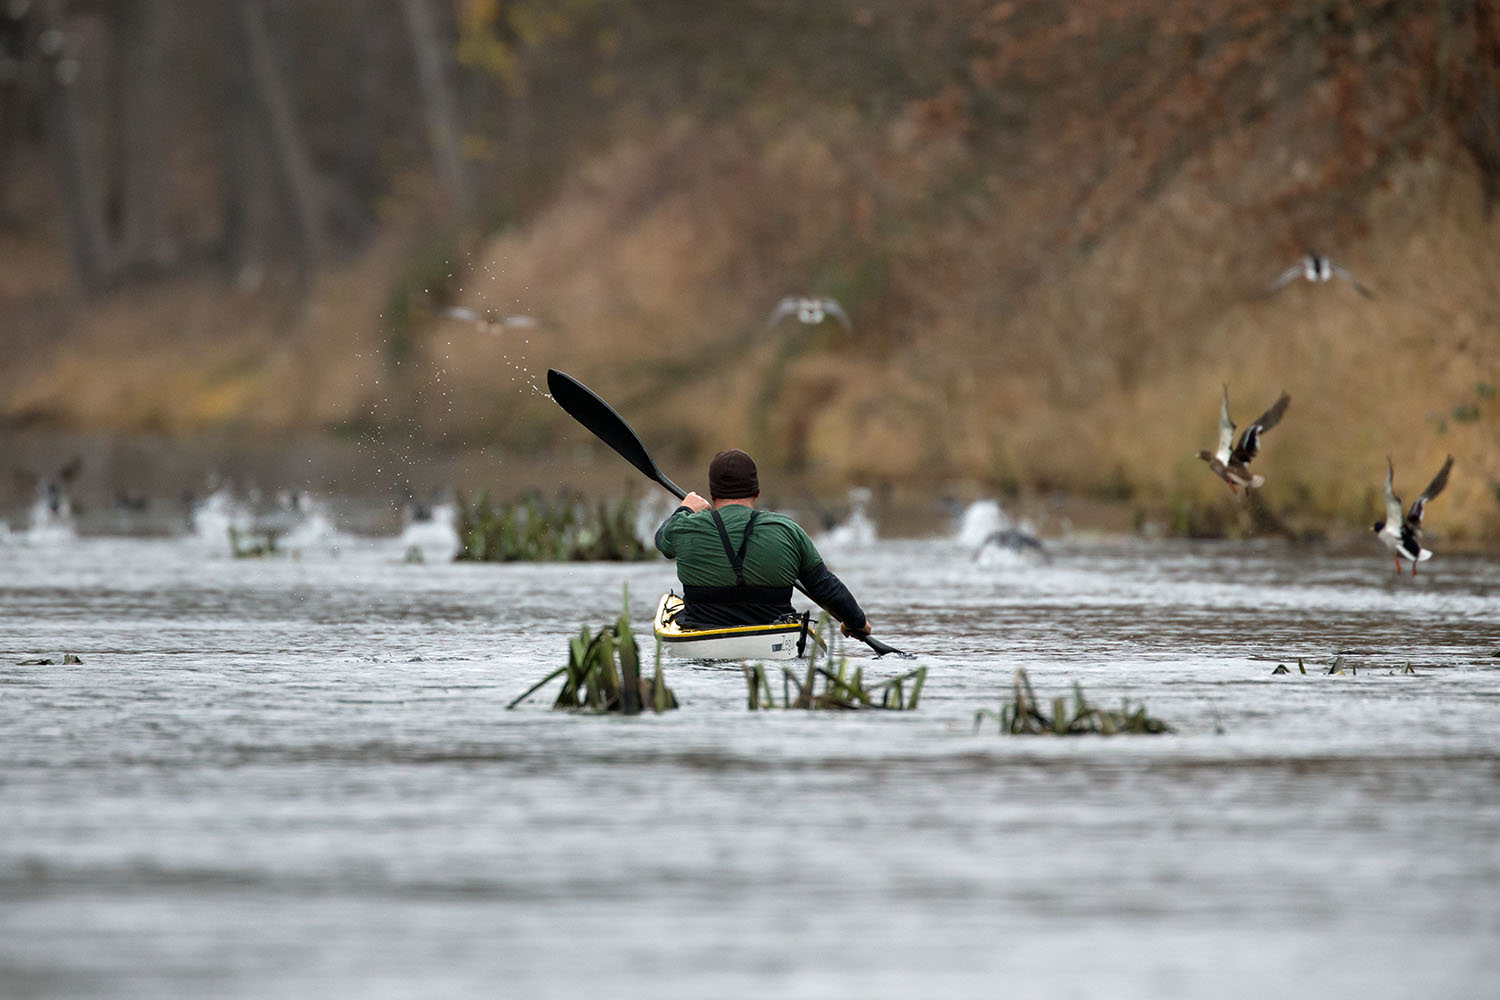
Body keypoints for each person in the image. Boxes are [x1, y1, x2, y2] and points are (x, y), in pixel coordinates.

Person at [654, 448, 873, 638]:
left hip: (702, 633)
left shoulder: (684, 525)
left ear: (712, 494)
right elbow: (824, 585)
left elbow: (661, 541)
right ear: (757, 492)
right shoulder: (788, 529)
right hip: (774, 637)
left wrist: (685, 509)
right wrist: (857, 622)